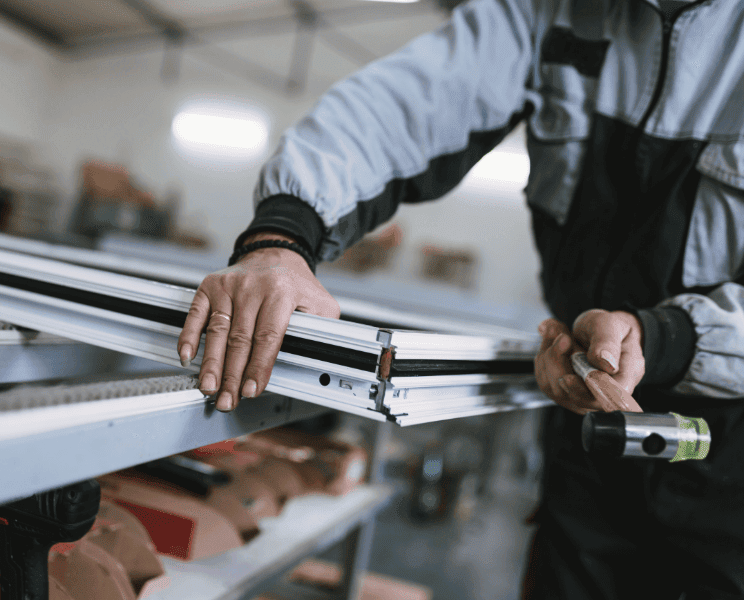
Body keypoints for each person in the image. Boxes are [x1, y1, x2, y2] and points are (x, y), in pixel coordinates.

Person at [178, 0, 744, 597]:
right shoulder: (547, 12)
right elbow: (401, 109)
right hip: (589, 432)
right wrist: (282, 237)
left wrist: (666, 339)